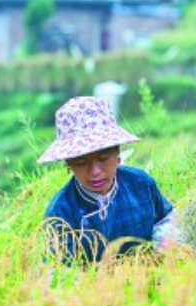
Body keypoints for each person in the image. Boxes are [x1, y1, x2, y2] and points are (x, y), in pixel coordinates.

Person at [38, 96, 181, 264]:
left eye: (104, 158)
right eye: (81, 162)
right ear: (69, 165)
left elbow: (165, 218)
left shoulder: (140, 184)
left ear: (118, 155)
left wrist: (164, 245)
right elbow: (61, 272)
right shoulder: (61, 212)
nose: (95, 172)